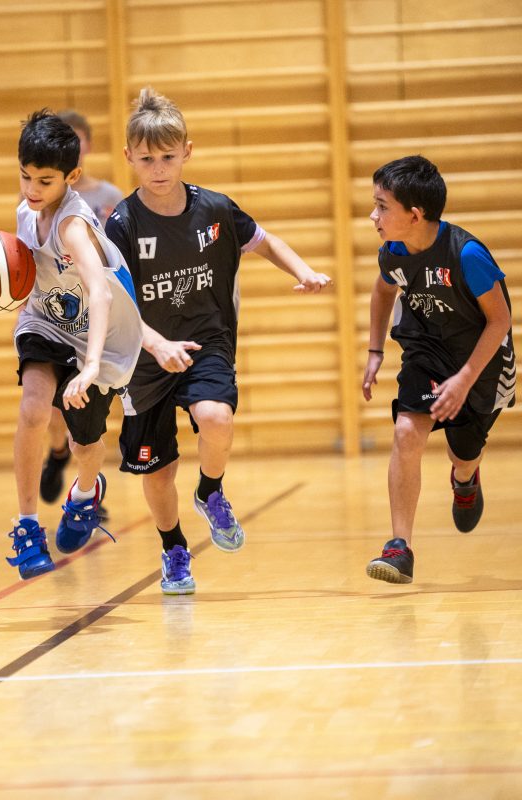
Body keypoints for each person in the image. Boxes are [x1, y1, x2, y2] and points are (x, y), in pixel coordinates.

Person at [104, 87, 332, 595]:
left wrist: (303, 270)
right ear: (129, 157)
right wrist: (157, 345)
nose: (158, 168)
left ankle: (210, 491)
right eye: (147, 159)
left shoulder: (215, 209)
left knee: (216, 418)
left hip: (206, 341)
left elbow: (265, 241)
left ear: (187, 151)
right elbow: (116, 306)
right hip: (144, 357)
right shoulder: (120, 225)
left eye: (168, 157)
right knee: (158, 471)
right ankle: (173, 549)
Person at [0, 110, 142, 580]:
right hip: (47, 322)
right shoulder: (26, 211)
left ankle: (85, 492)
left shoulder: (73, 225)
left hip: (99, 336)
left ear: (71, 178)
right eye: (25, 176)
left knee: (85, 444)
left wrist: (91, 365)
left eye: (44, 181)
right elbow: (21, 269)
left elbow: (98, 292)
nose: (32, 189)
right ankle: (27, 525)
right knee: (34, 408)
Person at [362, 155, 515, 584]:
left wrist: (464, 379)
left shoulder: (467, 255)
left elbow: (500, 321)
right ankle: (400, 547)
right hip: (426, 351)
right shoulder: (394, 252)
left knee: (463, 454)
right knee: (406, 432)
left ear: (415, 215)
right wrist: (374, 350)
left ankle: (465, 479)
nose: (373, 216)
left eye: (382, 207)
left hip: (480, 362)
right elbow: (382, 291)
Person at [39, 109, 125, 505]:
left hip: (95, 315)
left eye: (76, 139)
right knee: (52, 411)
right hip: (55, 312)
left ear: (87, 144)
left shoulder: (108, 197)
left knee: (84, 414)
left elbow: (117, 257)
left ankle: (86, 487)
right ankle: (58, 454)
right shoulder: (37, 198)